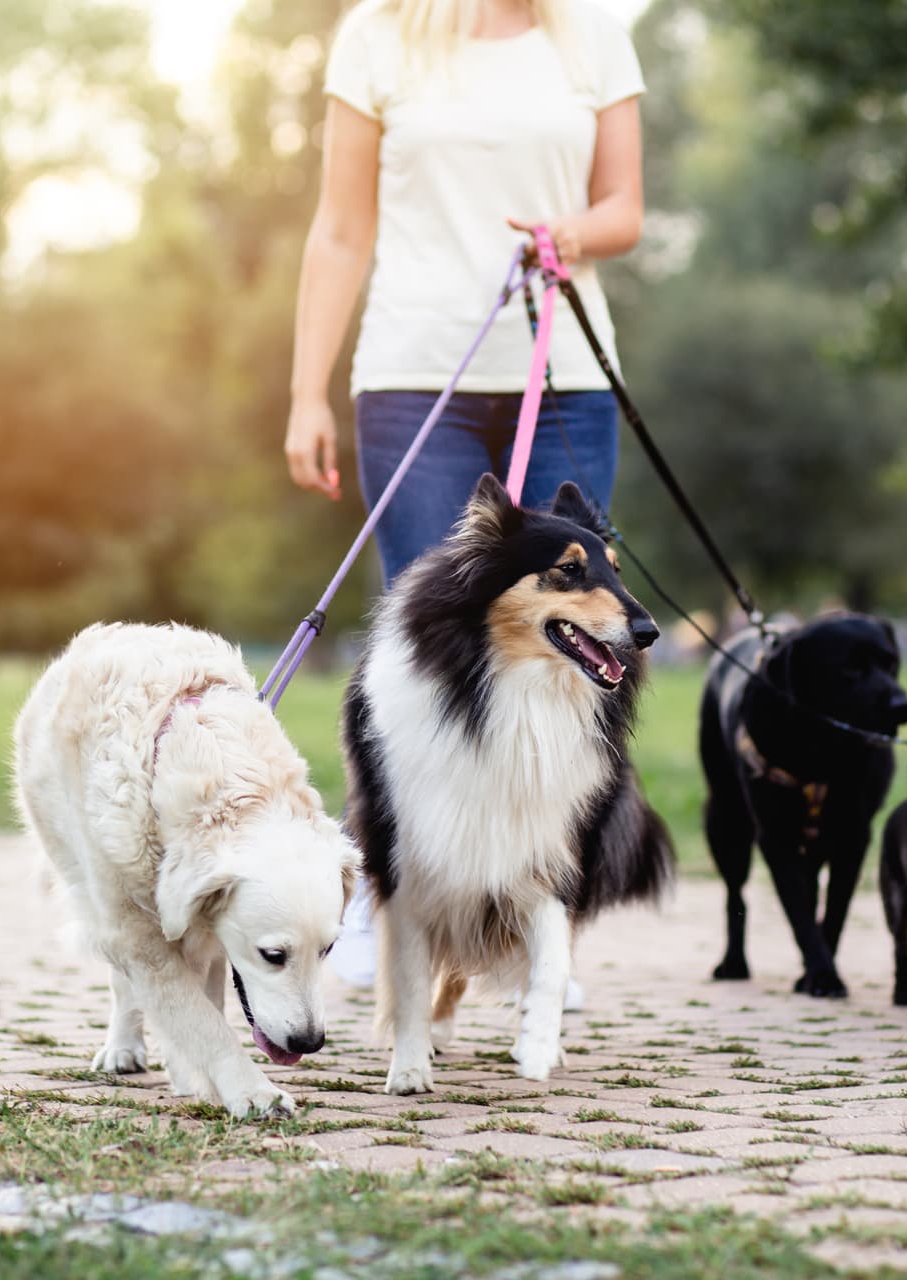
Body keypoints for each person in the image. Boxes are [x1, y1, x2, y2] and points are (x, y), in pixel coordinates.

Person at [285, 0, 646, 994]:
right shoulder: (378, 36)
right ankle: (394, 901)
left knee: (569, 654)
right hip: (415, 379)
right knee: (423, 655)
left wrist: (570, 232)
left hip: (566, 374)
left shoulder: (593, 36)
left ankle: (538, 923)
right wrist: (306, 391)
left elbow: (625, 208)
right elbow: (340, 230)